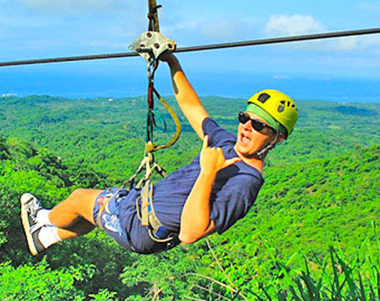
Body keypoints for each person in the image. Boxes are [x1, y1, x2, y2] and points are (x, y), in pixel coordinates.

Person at [20, 53, 298, 256]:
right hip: (138, 205)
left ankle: (41, 218)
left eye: (260, 125)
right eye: (244, 118)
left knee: (81, 198)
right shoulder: (225, 142)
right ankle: (45, 237)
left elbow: (190, 233)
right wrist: (171, 62)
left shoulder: (246, 183)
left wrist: (208, 173)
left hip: (144, 228)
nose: (247, 127)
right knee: (88, 216)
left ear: (278, 137)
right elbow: (192, 108)